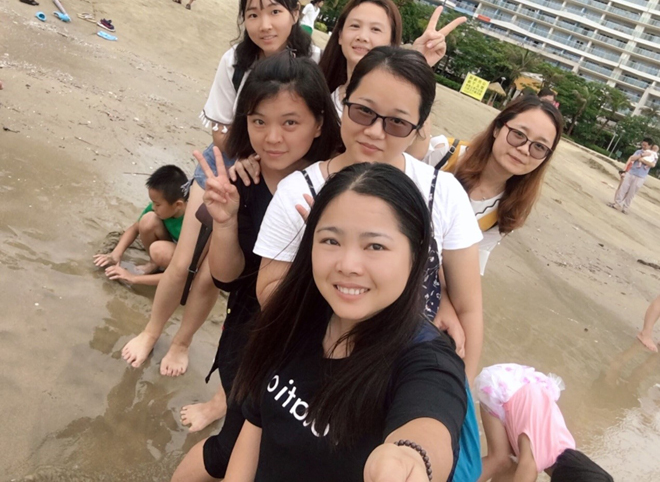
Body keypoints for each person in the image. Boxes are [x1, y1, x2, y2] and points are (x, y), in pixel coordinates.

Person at [190, 163, 469, 482]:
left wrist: (410, 457)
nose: (348, 265)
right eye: (331, 241)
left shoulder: (427, 362)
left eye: (375, 246)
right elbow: (256, 424)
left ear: (416, 254)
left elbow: (430, 421)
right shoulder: (295, 316)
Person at [121, 0, 320, 376]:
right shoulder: (235, 61)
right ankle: (150, 331)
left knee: (212, 274)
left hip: (275, 174)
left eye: (275, 12)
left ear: (295, 14)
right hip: (226, 163)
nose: (264, 25)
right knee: (182, 262)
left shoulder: (314, 61)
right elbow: (219, 128)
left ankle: (182, 342)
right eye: (253, 14)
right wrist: (245, 156)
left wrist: (265, 160)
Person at [254, 46, 484, 381]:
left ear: (419, 127)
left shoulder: (443, 193)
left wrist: (459, 391)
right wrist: (314, 249)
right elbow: (269, 293)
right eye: (363, 111)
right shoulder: (299, 191)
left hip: (408, 374)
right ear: (344, 101)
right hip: (321, 363)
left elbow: (469, 308)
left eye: (397, 122)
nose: (375, 132)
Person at [172, 53, 342, 479]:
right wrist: (225, 221)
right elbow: (226, 277)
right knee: (228, 451)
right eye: (258, 121)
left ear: (318, 124)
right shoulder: (242, 182)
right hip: (249, 338)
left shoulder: (338, 186)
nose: (272, 138)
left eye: (290, 122)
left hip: (313, 346)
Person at [425, 96, 563, 275]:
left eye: (539, 147)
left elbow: (468, 270)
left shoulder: (506, 211)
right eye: (518, 134)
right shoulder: (442, 154)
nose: (524, 149)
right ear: (497, 128)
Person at [318, 0, 466, 160]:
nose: (362, 37)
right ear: (340, 35)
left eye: (375, 29)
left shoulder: (397, 106)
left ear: (391, 41)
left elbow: (416, 154)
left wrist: (417, 65)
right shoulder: (319, 92)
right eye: (354, 26)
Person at [475, 363, 613, 482]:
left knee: (514, 464)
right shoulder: (532, 464)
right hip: (503, 388)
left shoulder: (567, 448)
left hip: (527, 391)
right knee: (500, 459)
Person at [93, 165, 187, 286]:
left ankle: (162, 267)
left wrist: (133, 278)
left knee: (159, 250)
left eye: (157, 204)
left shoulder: (192, 223)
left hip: (186, 260)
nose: (153, 207)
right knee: (148, 219)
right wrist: (116, 253)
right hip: (173, 247)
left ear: (178, 205)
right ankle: (154, 264)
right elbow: (134, 228)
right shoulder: (163, 208)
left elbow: (184, 273)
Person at [608, 137, 656, 214]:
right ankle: (617, 203)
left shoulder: (653, 155)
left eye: (645, 145)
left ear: (650, 146)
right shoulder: (639, 151)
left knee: (632, 192)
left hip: (641, 176)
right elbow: (632, 158)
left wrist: (643, 160)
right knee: (623, 188)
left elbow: (652, 164)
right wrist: (642, 155)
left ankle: (625, 207)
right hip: (631, 172)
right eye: (643, 144)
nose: (643, 146)